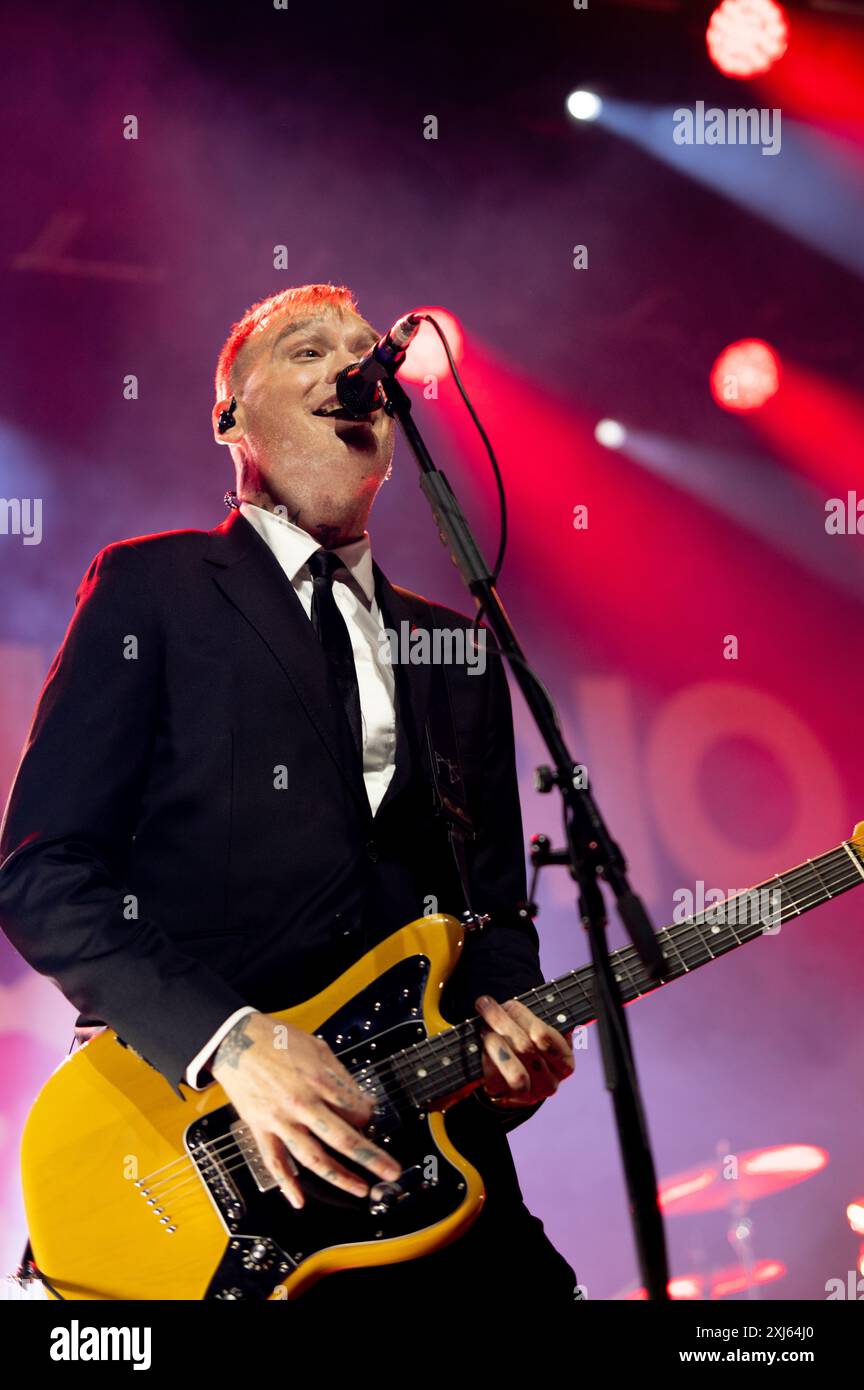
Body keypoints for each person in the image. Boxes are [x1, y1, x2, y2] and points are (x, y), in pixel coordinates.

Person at [0, 283, 579, 1313]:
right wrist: (232, 1040)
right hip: (208, 1161)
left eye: (365, 357)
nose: (352, 370)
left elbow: (490, 914)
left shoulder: (457, 653)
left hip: (435, 1180)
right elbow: (45, 871)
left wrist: (508, 1033)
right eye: (308, 352)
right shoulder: (154, 589)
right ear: (231, 416)